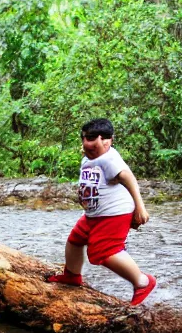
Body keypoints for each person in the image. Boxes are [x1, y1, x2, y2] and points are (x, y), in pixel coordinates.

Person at [47, 117, 156, 306]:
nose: (89, 146)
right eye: (86, 140)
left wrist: (140, 207)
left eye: (95, 142)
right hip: (94, 215)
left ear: (108, 141)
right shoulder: (89, 160)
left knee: (104, 252)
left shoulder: (109, 158)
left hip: (114, 214)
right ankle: (72, 275)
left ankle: (143, 281)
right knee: (75, 241)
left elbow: (128, 178)